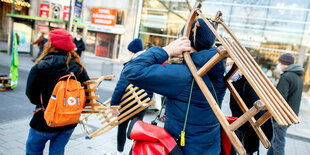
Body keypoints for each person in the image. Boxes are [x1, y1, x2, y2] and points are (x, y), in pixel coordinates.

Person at [122, 18, 227, 154]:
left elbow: (131, 71)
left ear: (185, 41)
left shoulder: (185, 75)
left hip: (184, 150)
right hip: (210, 148)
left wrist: (166, 50)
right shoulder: (217, 70)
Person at [25, 29, 90, 155]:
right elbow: (86, 95)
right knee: (57, 152)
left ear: (50, 44)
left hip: (43, 121)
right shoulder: (78, 67)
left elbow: (31, 96)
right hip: (68, 123)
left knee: (33, 150)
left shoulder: (39, 67)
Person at [110, 38, 153, 155]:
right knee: (137, 128)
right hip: (142, 103)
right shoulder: (151, 62)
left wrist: (114, 104)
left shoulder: (132, 64)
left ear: (133, 51)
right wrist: (147, 100)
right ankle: (135, 152)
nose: (129, 53)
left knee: (122, 126)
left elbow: (120, 86)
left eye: (130, 51)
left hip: (128, 102)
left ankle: (120, 152)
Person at [267, 53, 304, 155]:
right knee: (275, 141)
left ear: (284, 63)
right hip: (290, 114)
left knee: (278, 143)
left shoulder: (286, 76)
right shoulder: (298, 77)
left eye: (280, 62)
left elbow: (280, 98)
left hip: (282, 115)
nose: (279, 64)